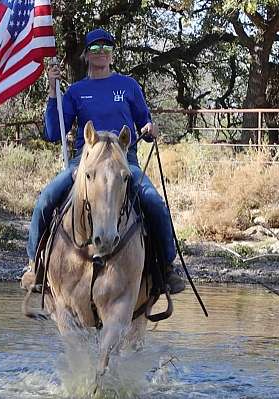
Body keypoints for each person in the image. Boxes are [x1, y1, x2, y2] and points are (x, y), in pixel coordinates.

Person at [22, 28, 185, 294]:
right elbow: (53, 133)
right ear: (86, 55)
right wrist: (53, 91)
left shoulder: (128, 86)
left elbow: (144, 121)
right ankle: (34, 266)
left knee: (154, 203)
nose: (101, 54)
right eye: (95, 49)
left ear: (112, 54)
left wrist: (148, 129)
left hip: (124, 162)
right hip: (84, 163)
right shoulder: (76, 91)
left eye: (106, 48)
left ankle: (166, 268)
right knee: (45, 199)